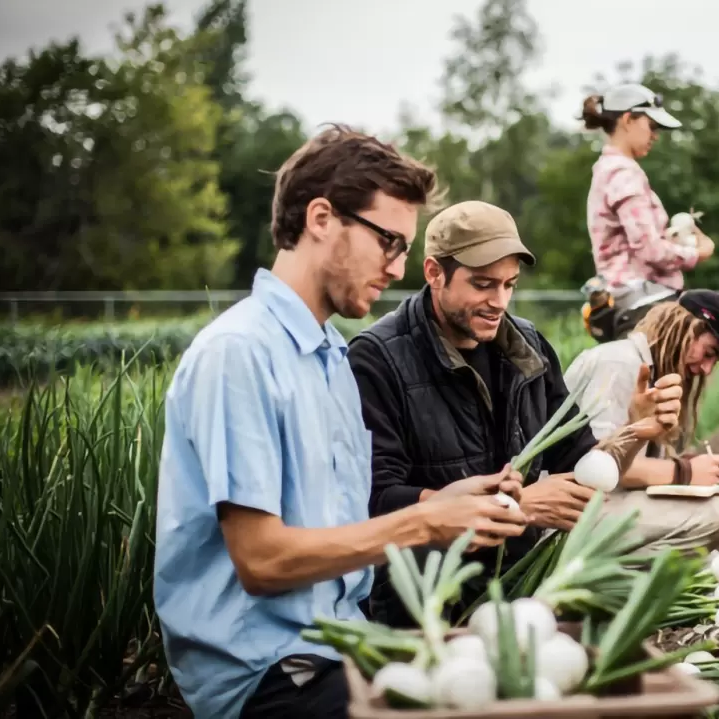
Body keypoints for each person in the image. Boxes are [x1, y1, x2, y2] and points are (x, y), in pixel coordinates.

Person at [154, 127, 531, 719]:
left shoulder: (330, 355)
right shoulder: (239, 352)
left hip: (342, 642)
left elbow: (338, 526)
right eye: (388, 241)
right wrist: (423, 521)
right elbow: (263, 560)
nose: (400, 267)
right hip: (269, 672)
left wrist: (450, 500)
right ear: (322, 218)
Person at [347, 199, 683, 628]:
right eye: (483, 284)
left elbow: (582, 465)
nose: (499, 301)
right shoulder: (377, 360)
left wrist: (636, 430)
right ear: (434, 273)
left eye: (509, 284)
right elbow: (377, 501)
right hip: (424, 601)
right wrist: (515, 507)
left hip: (518, 580)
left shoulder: (526, 347)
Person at [562, 290, 719, 551]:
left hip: (603, 505)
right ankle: (599, 580)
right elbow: (596, 466)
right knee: (712, 514)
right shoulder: (618, 363)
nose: (707, 369)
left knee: (708, 512)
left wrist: (689, 465)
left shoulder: (654, 370)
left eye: (714, 361)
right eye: (709, 352)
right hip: (572, 512)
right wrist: (685, 473)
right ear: (686, 328)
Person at [579, 83, 716, 342]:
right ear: (628, 119)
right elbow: (649, 249)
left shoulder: (607, 168)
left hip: (626, 302)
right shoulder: (624, 172)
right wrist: (697, 252)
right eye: (652, 126)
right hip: (644, 304)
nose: (655, 135)